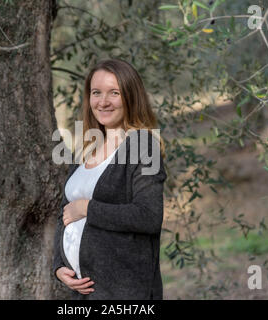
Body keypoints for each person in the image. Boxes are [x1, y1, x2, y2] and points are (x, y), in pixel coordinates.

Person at [52, 58, 167, 300]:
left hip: (122, 292)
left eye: (113, 93)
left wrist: (88, 208)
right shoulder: (87, 148)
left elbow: (149, 216)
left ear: (130, 97)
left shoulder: (143, 145)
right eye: (96, 93)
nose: (103, 102)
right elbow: (66, 212)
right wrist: (58, 266)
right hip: (83, 293)